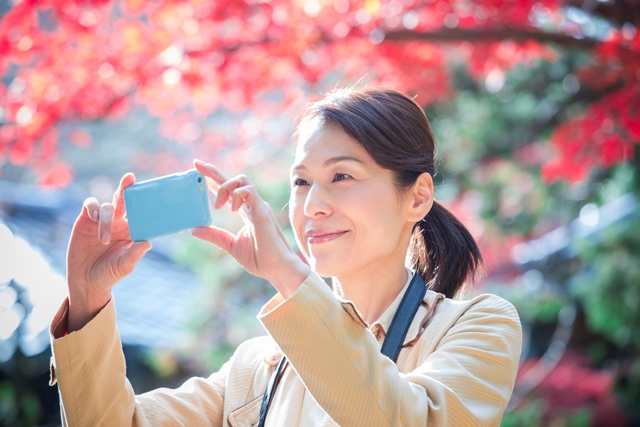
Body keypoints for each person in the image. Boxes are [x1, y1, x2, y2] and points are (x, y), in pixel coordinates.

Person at [49, 87, 522, 426]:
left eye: (342, 176)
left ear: (417, 198)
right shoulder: (262, 366)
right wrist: (88, 297)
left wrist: (285, 273)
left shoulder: (477, 326)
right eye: (301, 182)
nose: (312, 204)